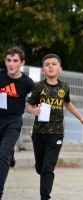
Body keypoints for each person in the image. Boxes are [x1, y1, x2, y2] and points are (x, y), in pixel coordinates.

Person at [26, 54, 83, 200]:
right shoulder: (38, 87)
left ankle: (45, 197)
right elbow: (29, 106)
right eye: (47, 64)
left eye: (54, 64)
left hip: (56, 133)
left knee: (48, 168)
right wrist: (33, 111)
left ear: (60, 69)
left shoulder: (64, 87)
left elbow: (67, 103)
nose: (50, 66)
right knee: (41, 168)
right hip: (39, 132)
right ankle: (39, 167)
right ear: (43, 70)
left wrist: (81, 119)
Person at [0, 46, 34, 200]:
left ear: (22, 63)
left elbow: (36, 103)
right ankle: (10, 152)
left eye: (15, 61)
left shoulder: (27, 83)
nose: (11, 64)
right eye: (8, 60)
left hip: (13, 122)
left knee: (3, 155)